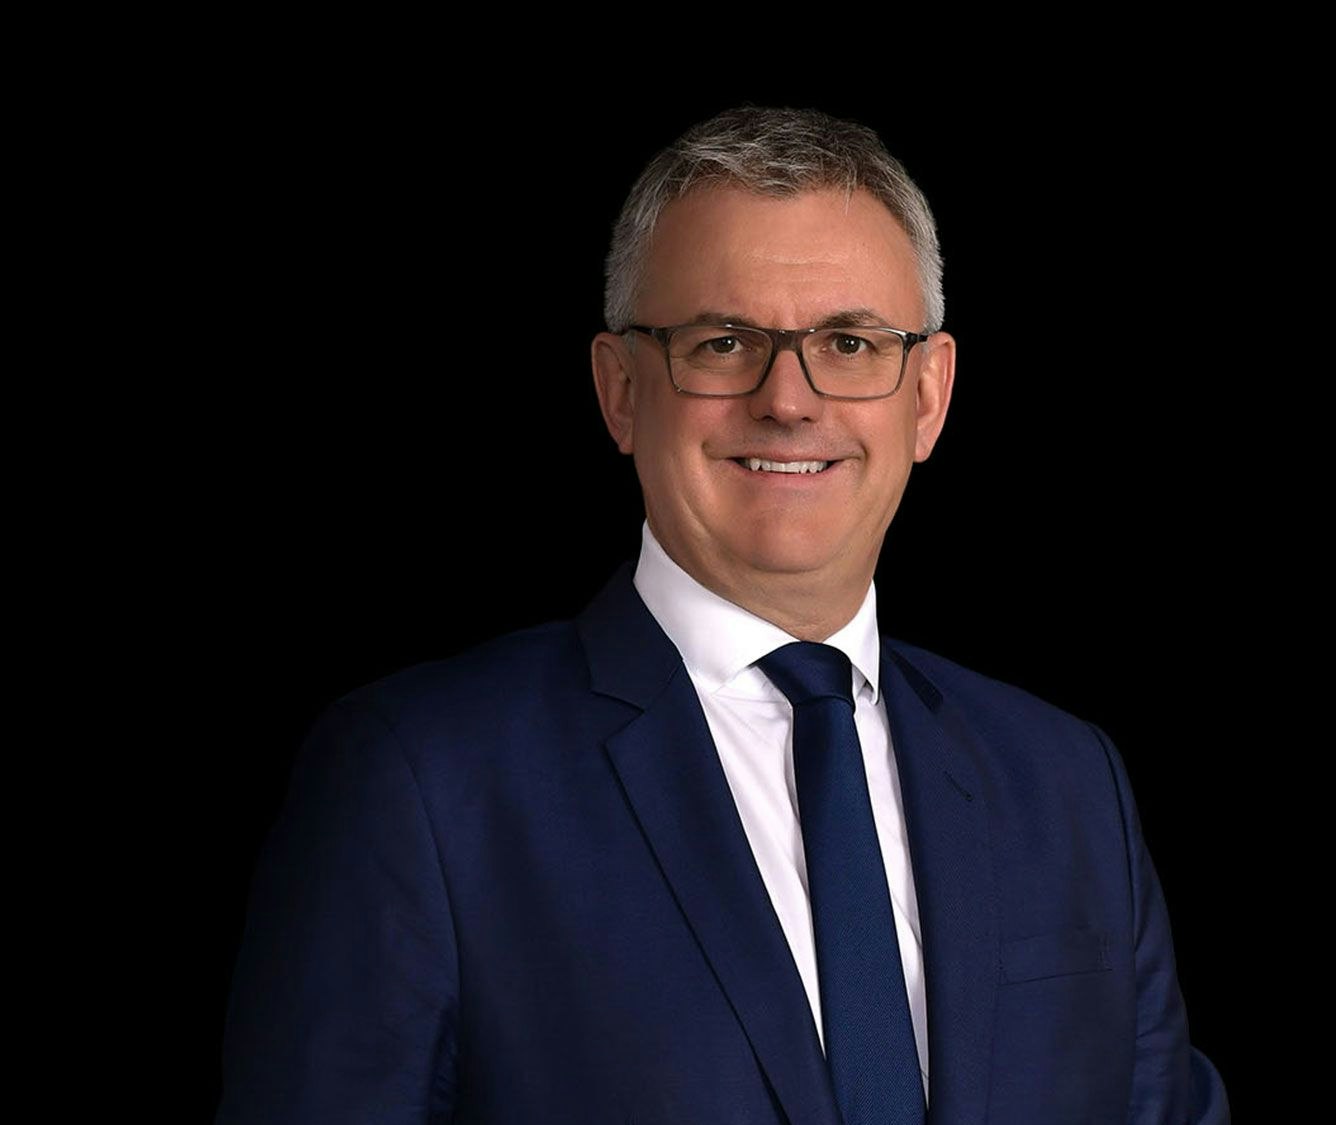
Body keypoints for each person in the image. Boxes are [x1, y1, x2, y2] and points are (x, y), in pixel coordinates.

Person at [218, 106, 1229, 1124]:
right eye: (723, 342)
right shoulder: (420, 782)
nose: (788, 399)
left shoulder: (1068, 784)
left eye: (849, 342)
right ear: (620, 390)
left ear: (928, 397)